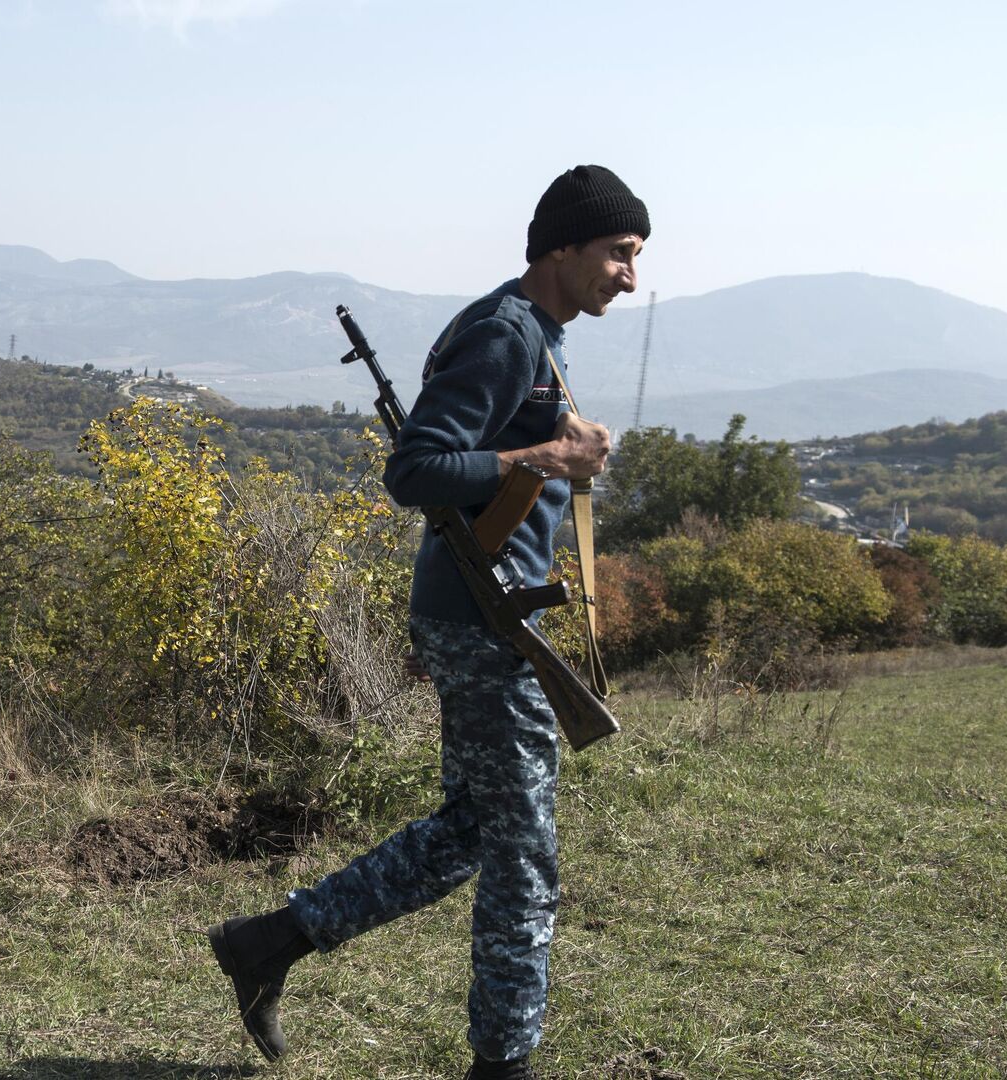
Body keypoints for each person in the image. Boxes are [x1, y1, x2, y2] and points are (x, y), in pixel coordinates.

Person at [206, 165, 648, 1079]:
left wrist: (555, 459)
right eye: (618, 253)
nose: (629, 276)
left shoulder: (536, 333)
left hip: (490, 615)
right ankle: (504, 1064)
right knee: (524, 858)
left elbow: (492, 463)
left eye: (635, 258)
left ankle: (270, 943)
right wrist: (550, 452)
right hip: (485, 624)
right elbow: (415, 472)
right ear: (561, 246)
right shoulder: (504, 333)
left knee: (472, 831)